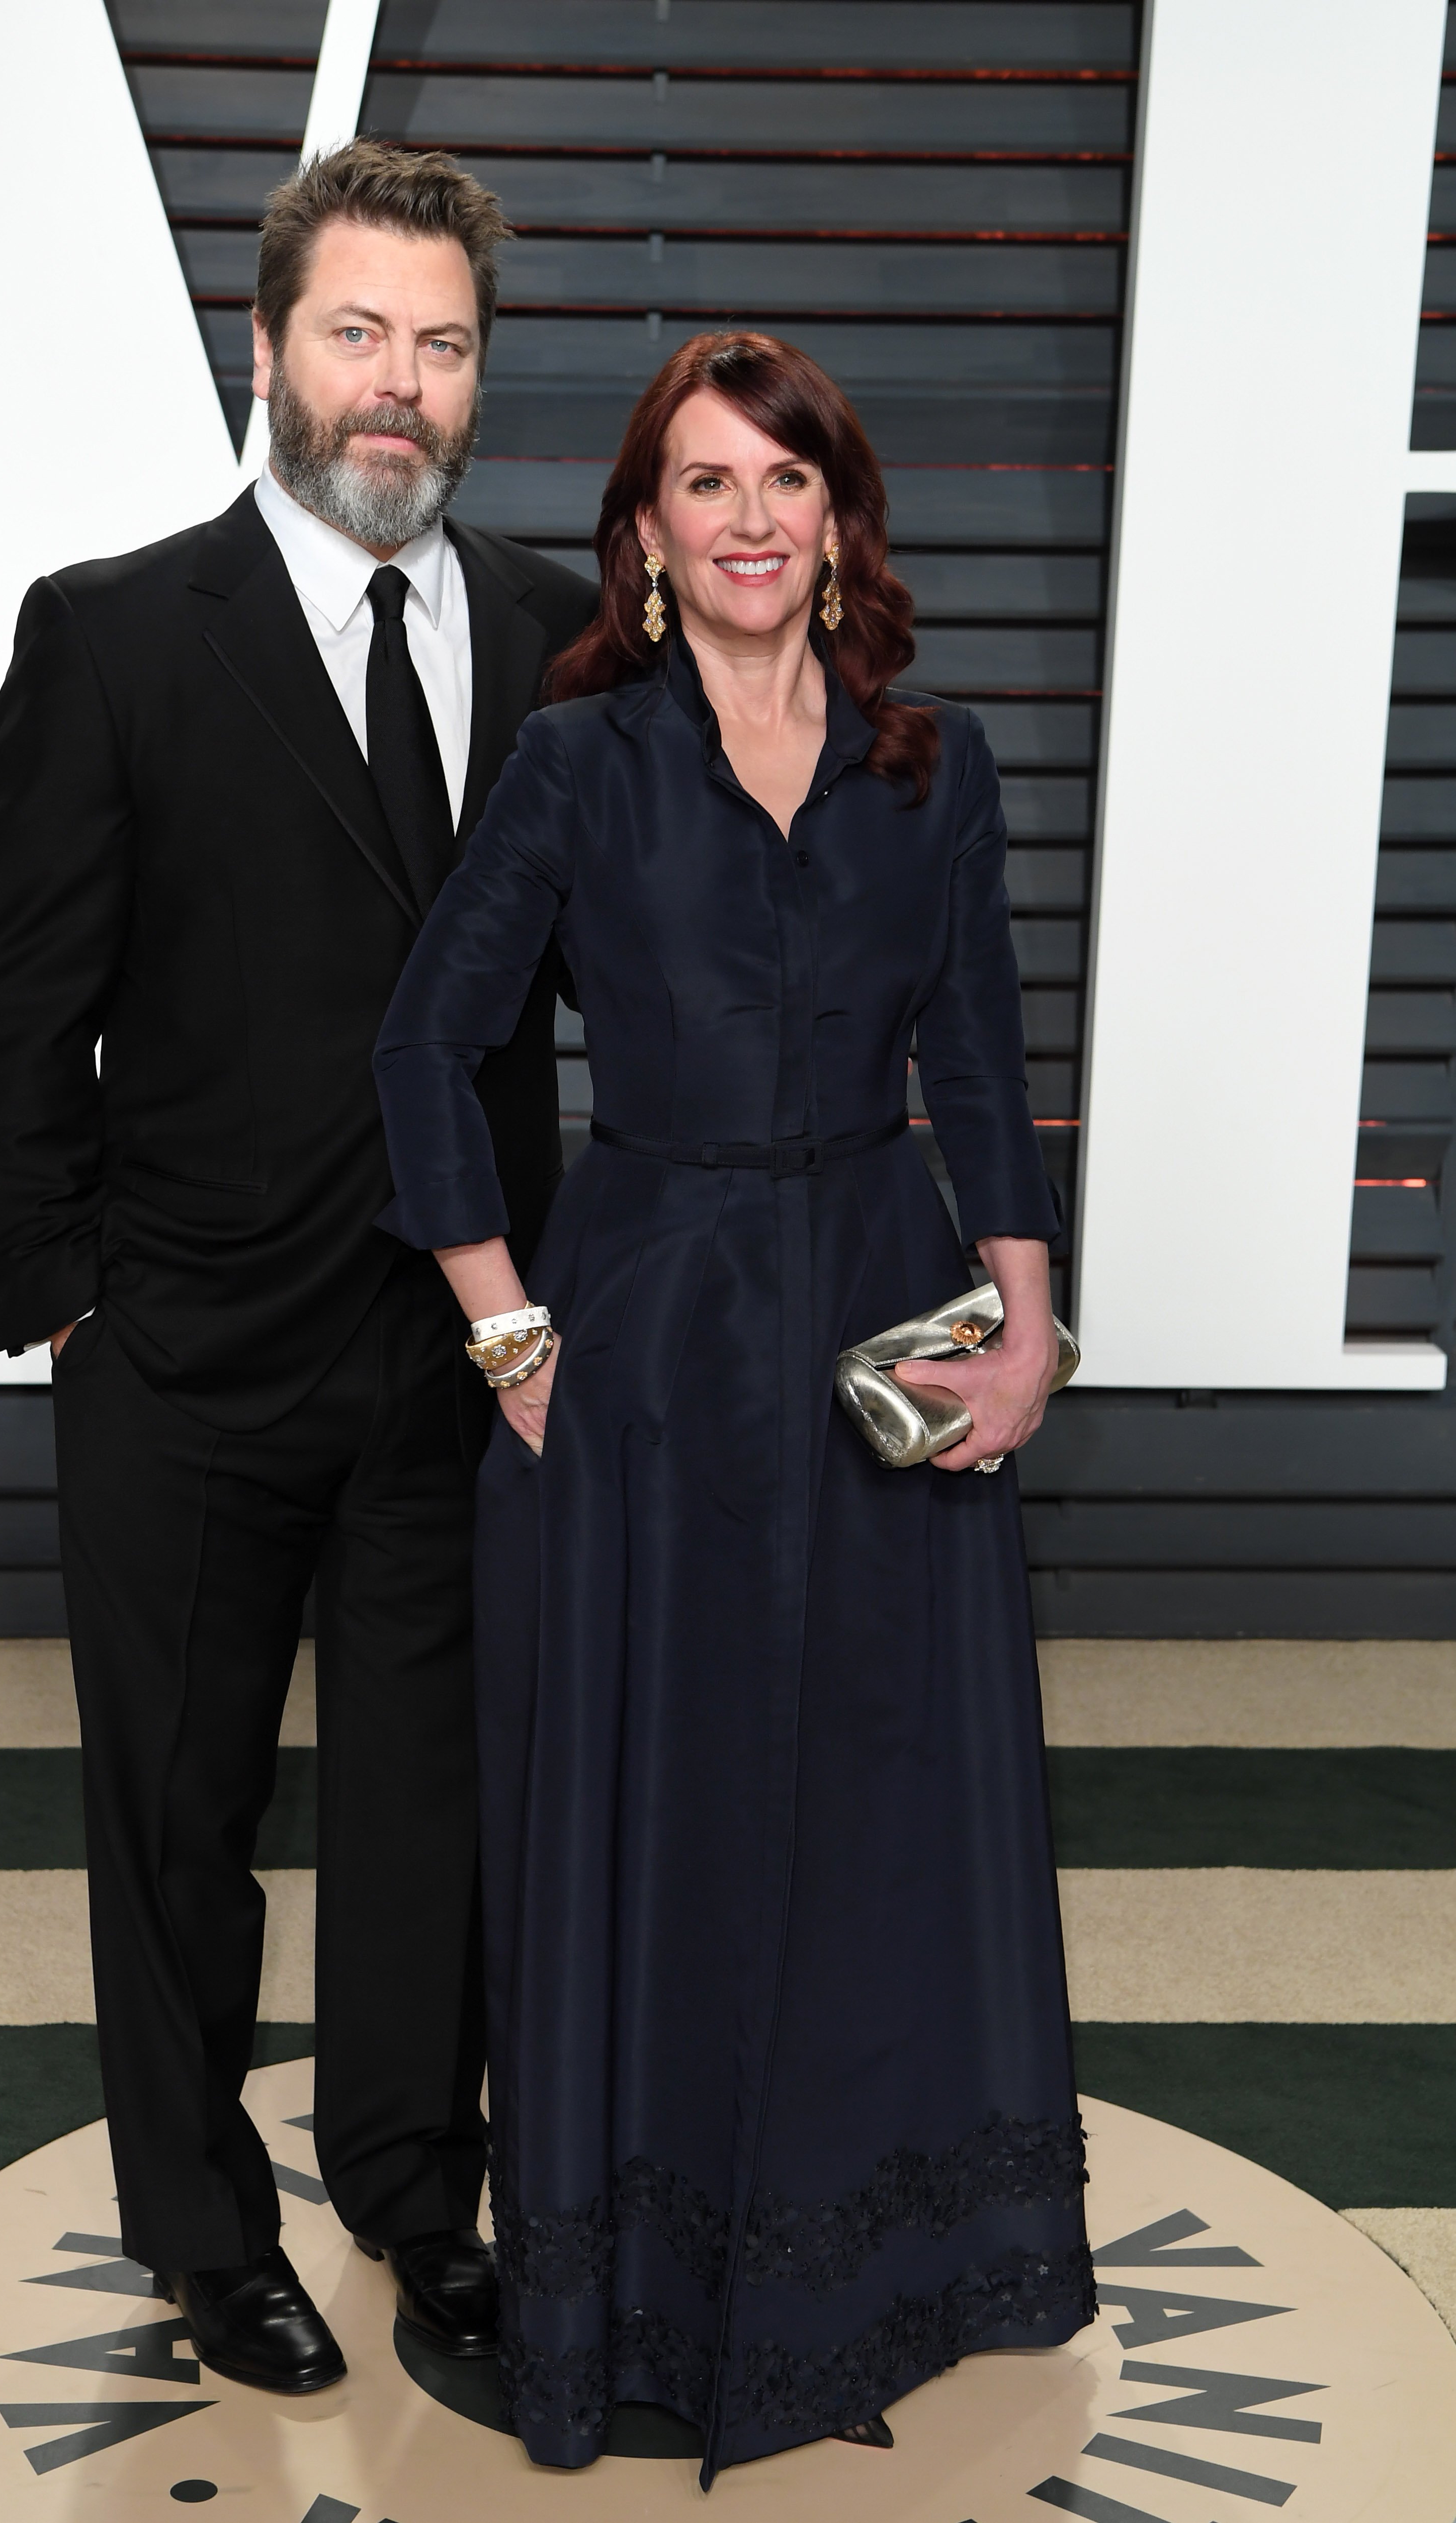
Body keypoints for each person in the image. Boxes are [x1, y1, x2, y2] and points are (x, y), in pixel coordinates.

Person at [373, 331, 1096, 2484]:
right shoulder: (579, 763)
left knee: (877, 1799)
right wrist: (506, 1328)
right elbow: (427, 1046)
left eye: (786, 479)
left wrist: (1028, 1322)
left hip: (879, 1310)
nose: (752, 517)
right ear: (648, 533)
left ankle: (864, 2260)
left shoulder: (924, 763)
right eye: (707, 483)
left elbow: (973, 1052)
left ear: (836, 520)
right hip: (652, 1325)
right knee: (663, 1799)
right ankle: (648, 2280)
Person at [0, 142, 596, 2395]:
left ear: (473, 377)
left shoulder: (542, 633)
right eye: (356, 336)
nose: (394, 389)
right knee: (176, 1830)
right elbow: (7, 991)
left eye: (438, 346)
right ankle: (207, 2231)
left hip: (452, 1361)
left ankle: (418, 2204)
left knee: (434, 1825)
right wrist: (71, 1302)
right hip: (183, 1357)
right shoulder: (116, 632)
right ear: (268, 352)